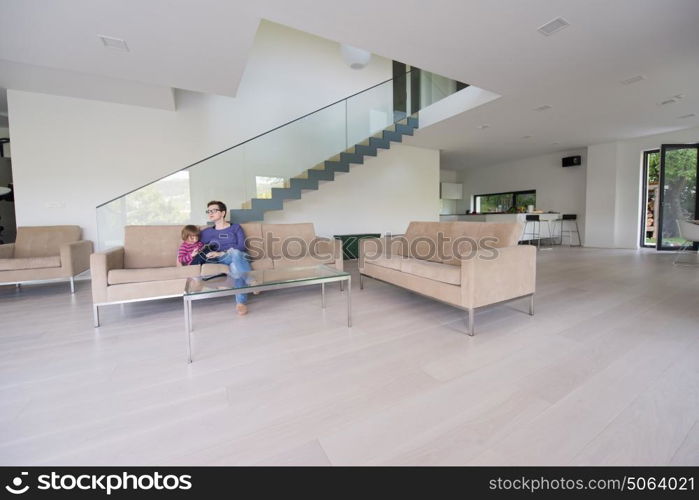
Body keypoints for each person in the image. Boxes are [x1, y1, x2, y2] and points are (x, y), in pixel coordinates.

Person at [200, 200, 252, 315]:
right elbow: (194, 244)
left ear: (223, 213)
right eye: (208, 211)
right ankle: (251, 281)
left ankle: (240, 303)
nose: (210, 213)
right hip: (223, 259)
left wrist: (225, 252)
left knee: (235, 264)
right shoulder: (207, 232)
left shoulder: (236, 227)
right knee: (234, 255)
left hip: (240, 256)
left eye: (214, 210)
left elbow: (242, 246)